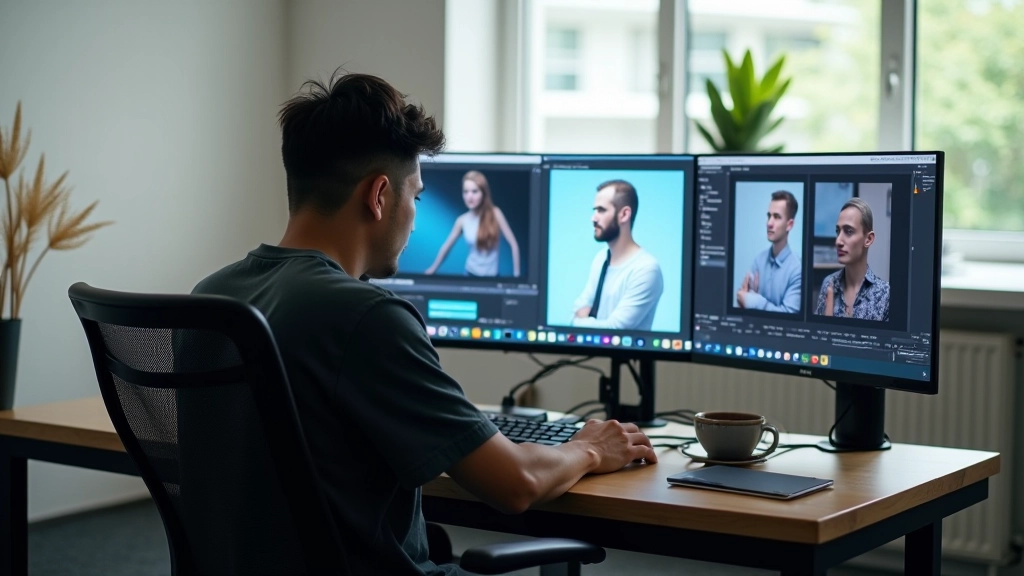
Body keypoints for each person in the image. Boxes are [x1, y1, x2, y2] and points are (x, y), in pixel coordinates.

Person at [191, 72, 657, 576]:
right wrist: (588, 448)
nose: (415, 215)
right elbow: (516, 483)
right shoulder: (365, 316)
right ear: (379, 196)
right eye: (415, 195)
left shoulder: (211, 297)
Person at [570, 180, 664, 331]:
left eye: (601, 210)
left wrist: (581, 320)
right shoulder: (601, 259)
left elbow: (615, 329)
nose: (593, 218)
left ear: (624, 214)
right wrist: (579, 319)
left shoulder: (646, 269)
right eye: (594, 210)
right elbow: (575, 311)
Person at [424, 170, 521, 276]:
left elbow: (514, 245)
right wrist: (432, 269)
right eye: (466, 192)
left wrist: (517, 277)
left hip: (492, 278)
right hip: (470, 274)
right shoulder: (462, 220)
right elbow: (446, 247)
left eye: (474, 191)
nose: (469, 196)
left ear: (483, 193)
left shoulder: (495, 213)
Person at [815, 197, 890, 320]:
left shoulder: (885, 295)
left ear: (869, 239)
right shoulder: (829, 284)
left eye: (848, 231)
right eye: (837, 231)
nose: (838, 241)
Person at [736, 190, 801, 313]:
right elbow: (742, 299)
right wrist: (747, 300)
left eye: (776, 217)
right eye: (768, 216)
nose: (769, 223)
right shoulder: (759, 260)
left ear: (789, 225)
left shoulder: (797, 270)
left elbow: (788, 317)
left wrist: (754, 301)